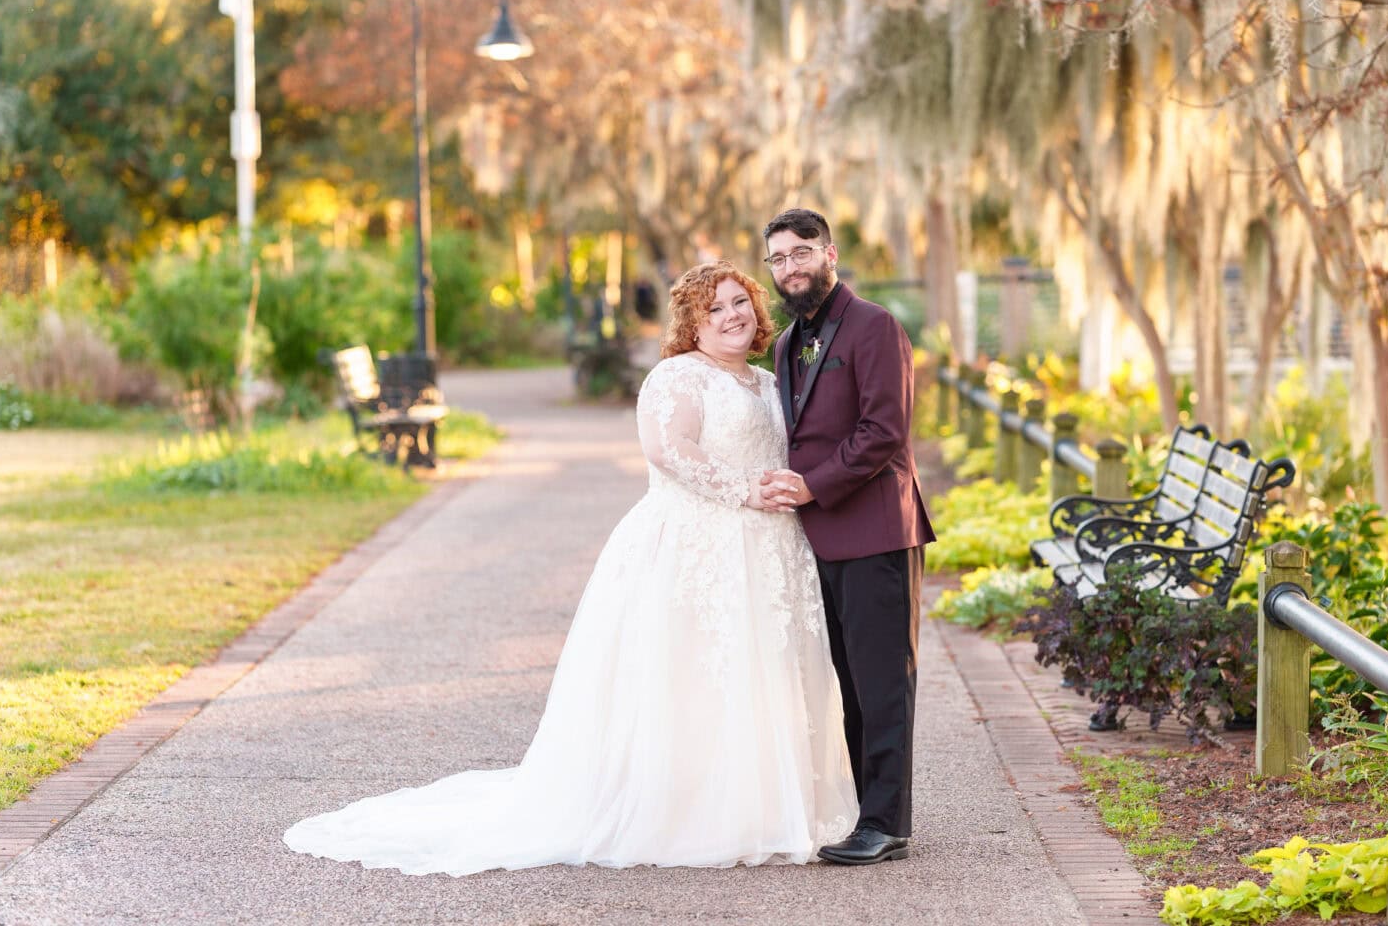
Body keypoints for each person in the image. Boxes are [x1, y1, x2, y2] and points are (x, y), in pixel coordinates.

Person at [284, 261, 857, 874]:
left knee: (762, 672)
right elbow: (668, 452)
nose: (730, 316)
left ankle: (769, 806)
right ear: (691, 323)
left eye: (739, 302)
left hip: (769, 552)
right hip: (696, 548)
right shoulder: (676, 378)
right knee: (695, 676)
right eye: (713, 309)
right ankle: (695, 811)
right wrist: (746, 489)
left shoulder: (767, 383)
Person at [757, 208, 936, 866]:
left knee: (883, 683)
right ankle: (866, 809)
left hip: (877, 531)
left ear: (830, 253)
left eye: (801, 252)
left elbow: (883, 431)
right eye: (778, 258)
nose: (790, 267)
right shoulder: (786, 343)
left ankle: (887, 823)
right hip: (818, 540)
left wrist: (813, 485)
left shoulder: (875, 326)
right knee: (847, 685)